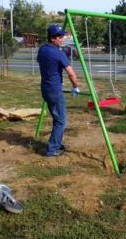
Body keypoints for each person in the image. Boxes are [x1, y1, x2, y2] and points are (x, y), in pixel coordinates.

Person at [37, 24, 80, 156]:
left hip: (45, 88)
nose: (62, 39)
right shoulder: (58, 53)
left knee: (57, 118)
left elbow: (41, 62)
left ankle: (57, 143)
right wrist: (75, 87)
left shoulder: (42, 49)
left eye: (62, 36)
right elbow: (71, 74)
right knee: (60, 120)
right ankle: (51, 149)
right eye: (59, 37)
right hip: (54, 90)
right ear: (52, 38)